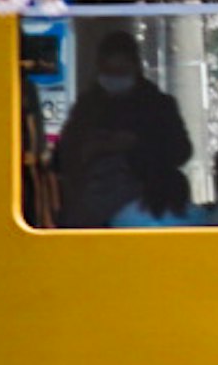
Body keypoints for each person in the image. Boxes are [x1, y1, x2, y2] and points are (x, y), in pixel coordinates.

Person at [46, 25, 194, 228]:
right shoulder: (87, 106)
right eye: (109, 71)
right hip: (92, 209)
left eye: (121, 71)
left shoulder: (158, 105)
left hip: (147, 202)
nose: (115, 77)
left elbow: (181, 152)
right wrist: (89, 149)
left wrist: (135, 146)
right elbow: (60, 159)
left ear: (135, 68)